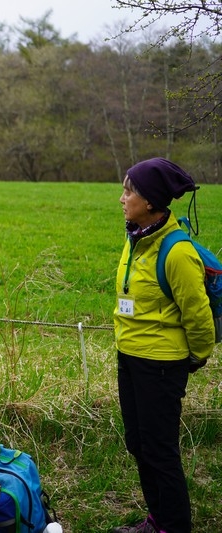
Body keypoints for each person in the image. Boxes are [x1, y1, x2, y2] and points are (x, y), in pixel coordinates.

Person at [112, 158, 215, 533]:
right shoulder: (136, 238)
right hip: (131, 357)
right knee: (138, 443)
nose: (122, 198)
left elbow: (198, 316)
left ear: (152, 202)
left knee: (160, 451)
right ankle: (158, 520)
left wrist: (196, 356)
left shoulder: (176, 252)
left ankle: (173, 525)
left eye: (130, 191)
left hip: (161, 365)